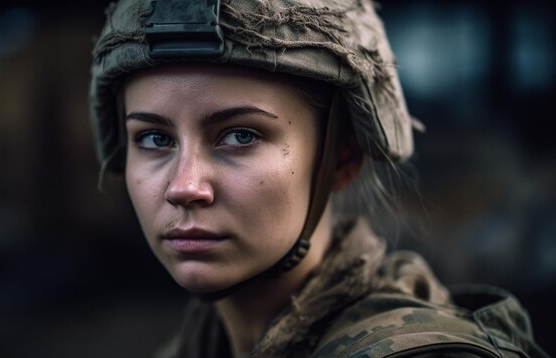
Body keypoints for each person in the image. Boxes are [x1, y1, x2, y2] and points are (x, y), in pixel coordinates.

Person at [89, 0, 548, 356]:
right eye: (153, 139)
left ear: (342, 158)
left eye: (240, 135)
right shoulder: (194, 348)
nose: (184, 186)